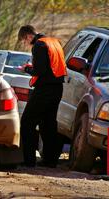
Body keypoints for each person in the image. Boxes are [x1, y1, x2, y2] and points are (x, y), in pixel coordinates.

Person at [18, 25, 67, 167]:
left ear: (28, 36)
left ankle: (28, 160)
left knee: (27, 122)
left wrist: (26, 68)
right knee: (48, 124)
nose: (25, 44)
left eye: (24, 41)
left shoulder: (39, 45)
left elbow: (39, 70)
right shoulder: (54, 42)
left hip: (44, 89)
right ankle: (50, 161)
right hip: (58, 88)